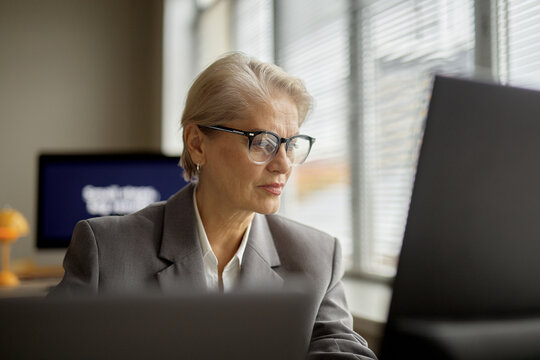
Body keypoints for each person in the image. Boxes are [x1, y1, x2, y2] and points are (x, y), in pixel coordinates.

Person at [50, 52, 377, 359]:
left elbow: (342, 351)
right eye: (263, 143)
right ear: (197, 144)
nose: (284, 165)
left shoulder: (317, 256)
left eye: (290, 145)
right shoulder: (106, 250)